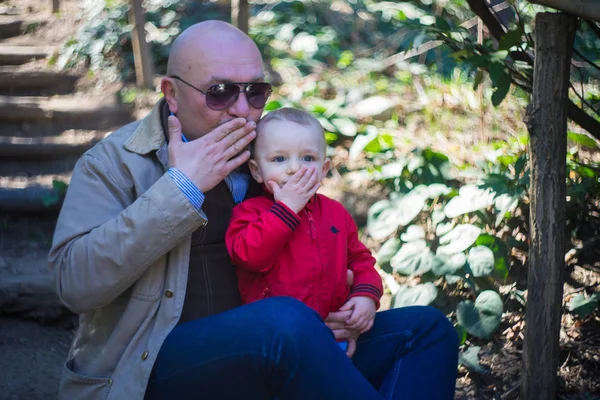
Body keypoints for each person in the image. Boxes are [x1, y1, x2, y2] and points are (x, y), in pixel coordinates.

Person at [48, 20, 458, 400]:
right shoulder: (114, 162)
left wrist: (344, 311)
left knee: (425, 331)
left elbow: (323, 250)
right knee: (283, 323)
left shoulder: (273, 151)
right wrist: (180, 189)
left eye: (256, 92)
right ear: (171, 93)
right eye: (220, 92)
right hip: (154, 366)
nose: (243, 110)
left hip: (280, 346)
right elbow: (74, 284)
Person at [226, 107, 383, 353]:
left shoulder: (335, 214)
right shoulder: (251, 213)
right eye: (279, 159)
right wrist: (286, 210)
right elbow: (249, 256)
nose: (294, 168)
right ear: (257, 171)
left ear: (324, 168)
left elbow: (361, 260)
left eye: (307, 158)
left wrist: (366, 296)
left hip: (334, 334)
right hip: (274, 339)